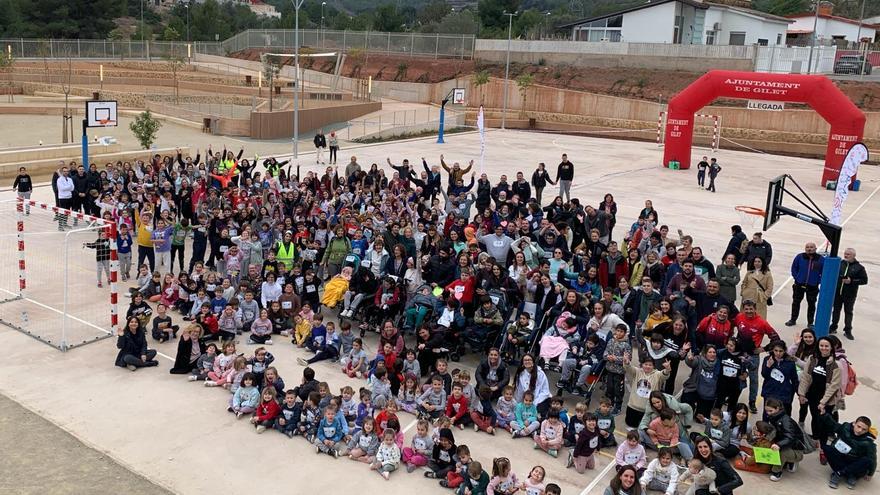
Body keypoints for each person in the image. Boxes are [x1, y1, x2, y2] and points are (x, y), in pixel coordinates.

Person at [820, 414, 876, 490]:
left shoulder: (868, 442)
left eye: (864, 429)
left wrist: (870, 474)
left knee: (867, 460)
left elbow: (872, 458)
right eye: (858, 426)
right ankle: (850, 475)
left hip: (855, 462)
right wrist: (824, 415)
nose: (860, 431)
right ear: (854, 423)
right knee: (826, 448)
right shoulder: (845, 427)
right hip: (842, 457)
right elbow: (834, 425)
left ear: (867, 430)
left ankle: (839, 474)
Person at [764, 397, 807, 482]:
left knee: (781, 452)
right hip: (787, 444)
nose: (768, 413)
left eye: (770, 411)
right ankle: (787, 462)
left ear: (777, 409)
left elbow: (790, 437)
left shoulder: (786, 420)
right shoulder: (775, 417)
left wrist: (779, 444)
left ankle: (777, 472)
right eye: (767, 411)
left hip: (796, 449)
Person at [830, 247, 868, 340]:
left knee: (848, 312)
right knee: (836, 310)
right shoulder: (840, 264)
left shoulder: (859, 268)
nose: (846, 255)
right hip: (838, 293)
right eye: (845, 253)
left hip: (850, 295)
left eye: (848, 254)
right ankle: (833, 326)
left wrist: (851, 281)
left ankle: (848, 330)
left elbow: (864, 280)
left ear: (853, 256)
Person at [786, 242, 824, 329]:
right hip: (799, 285)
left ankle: (810, 322)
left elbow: (823, 272)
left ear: (815, 248)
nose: (809, 249)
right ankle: (793, 319)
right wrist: (797, 278)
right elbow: (794, 268)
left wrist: (818, 281)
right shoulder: (800, 257)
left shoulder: (820, 259)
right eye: (807, 247)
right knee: (796, 302)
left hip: (812, 286)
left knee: (811, 304)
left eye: (811, 247)